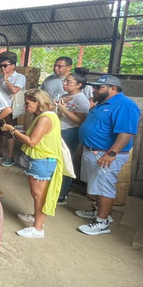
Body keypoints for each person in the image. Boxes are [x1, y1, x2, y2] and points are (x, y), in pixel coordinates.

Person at [75, 75, 140, 236]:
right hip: (95, 151)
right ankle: (99, 211)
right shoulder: (102, 103)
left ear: (113, 88)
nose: (95, 90)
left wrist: (112, 153)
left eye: (99, 87)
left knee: (105, 187)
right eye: (95, 87)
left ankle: (102, 222)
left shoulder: (124, 105)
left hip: (107, 154)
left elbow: (126, 132)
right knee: (98, 185)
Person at [2, 90, 64, 239]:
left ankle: (38, 228)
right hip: (40, 159)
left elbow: (32, 142)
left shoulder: (44, 119)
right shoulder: (45, 116)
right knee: (36, 193)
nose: (25, 106)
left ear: (38, 102)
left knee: (39, 195)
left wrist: (13, 130)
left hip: (43, 160)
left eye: (28, 103)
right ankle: (36, 216)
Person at [55, 69, 91, 205]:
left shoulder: (82, 100)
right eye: (65, 81)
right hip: (61, 130)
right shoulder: (65, 96)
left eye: (69, 82)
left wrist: (63, 109)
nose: (65, 84)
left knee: (65, 162)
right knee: (58, 162)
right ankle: (56, 190)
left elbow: (80, 121)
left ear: (79, 85)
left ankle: (62, 194)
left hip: (71, 132)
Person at [0, 54, 26, 167]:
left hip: (9, 109)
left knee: (9, 134)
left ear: (13, 66)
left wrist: (6, 80)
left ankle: (10, 156)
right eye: (1, 66)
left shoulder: (19, 77)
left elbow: (14, 91)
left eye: (5, 66)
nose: (3, 68)